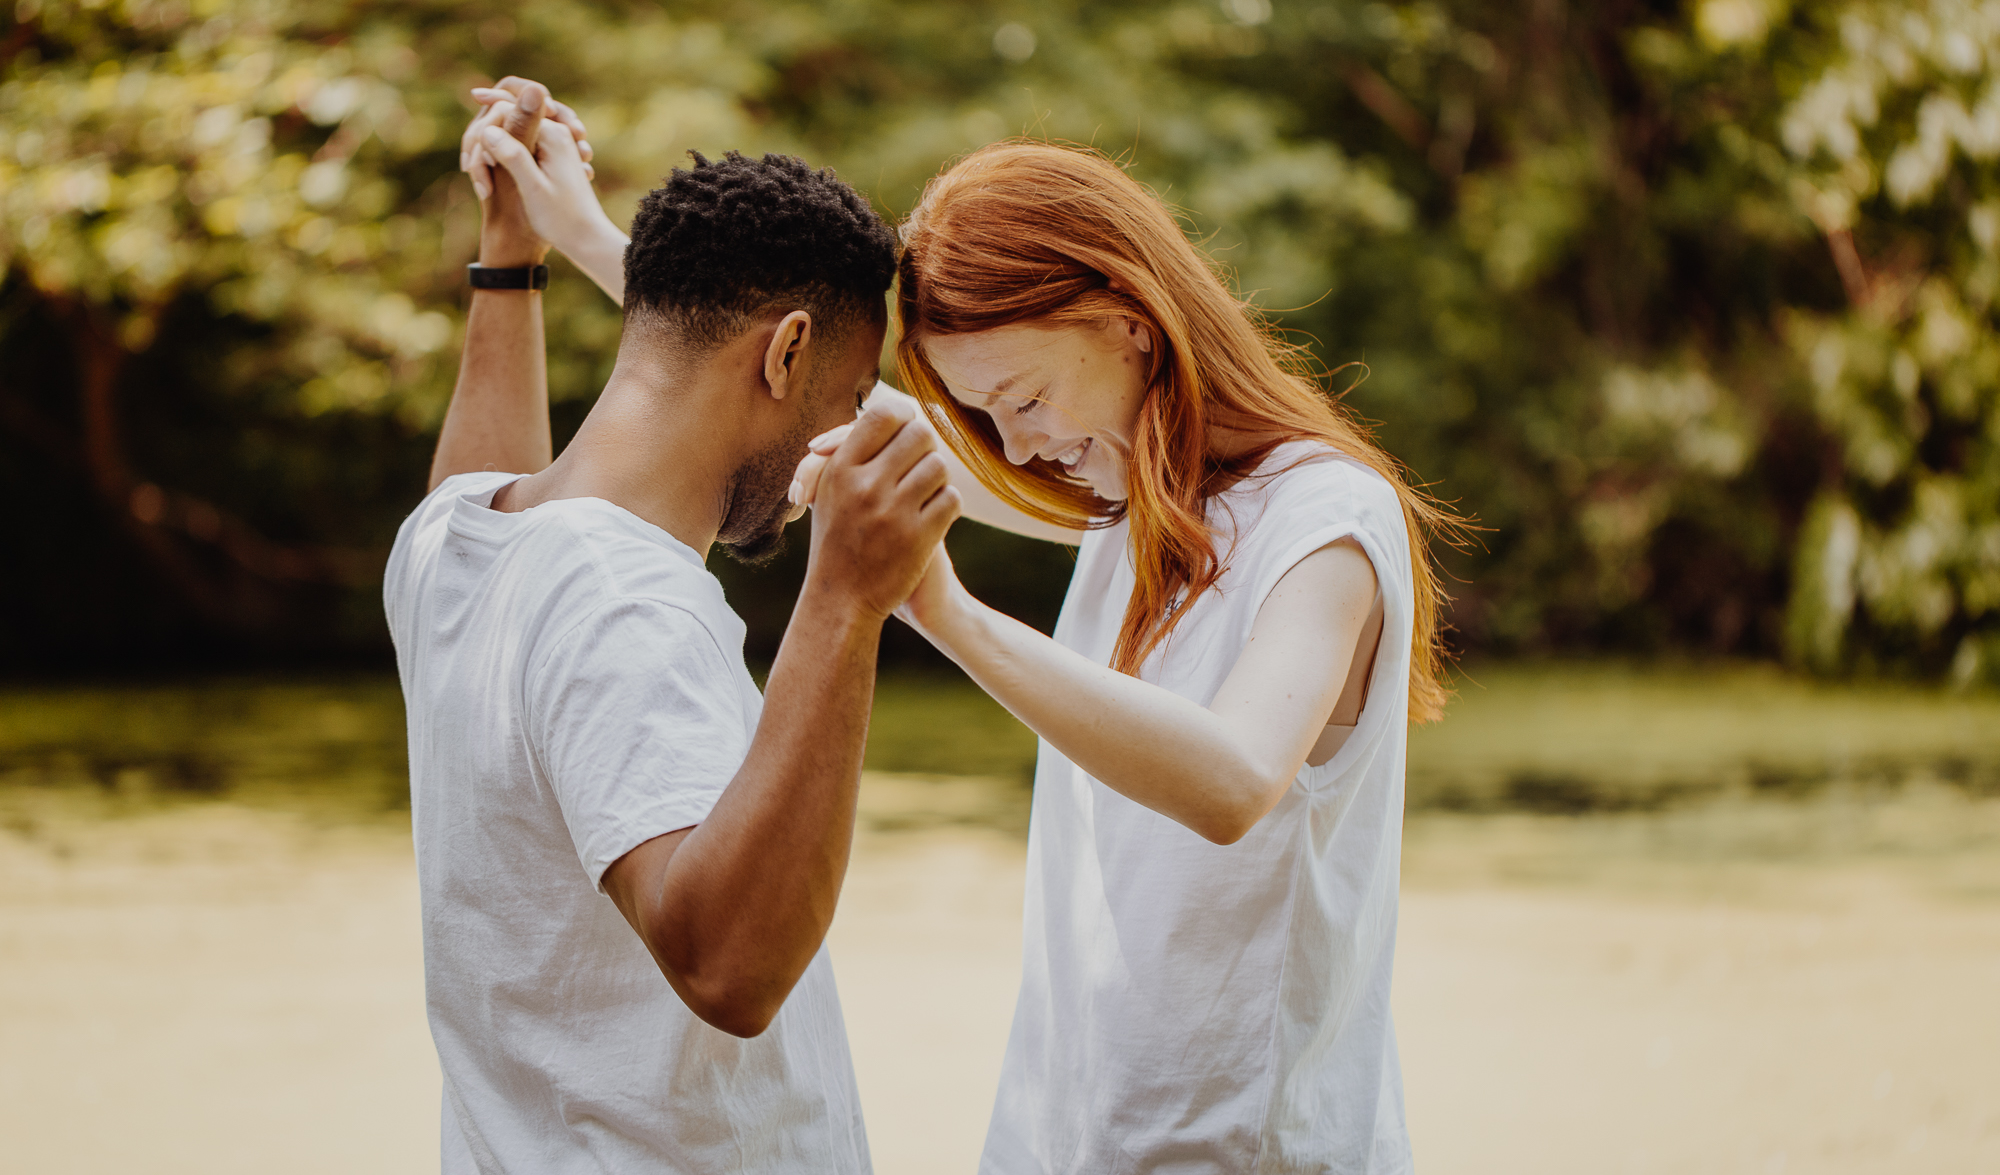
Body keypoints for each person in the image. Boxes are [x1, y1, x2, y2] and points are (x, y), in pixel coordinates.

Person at [468, 82, 1463, 1172]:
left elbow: (1230, 779)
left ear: (1126, 322)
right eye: (982, 418)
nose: (1017, 449)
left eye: (1024, 401)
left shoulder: (1323, 515)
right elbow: (766, 378)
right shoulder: (1133, 502)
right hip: (1071, 1140)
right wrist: (576, 233)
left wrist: (938, 607)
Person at [385, 82, 959, 1173]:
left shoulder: (457, 540)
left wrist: (510, 259)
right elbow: (728, 969)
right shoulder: (629, 603)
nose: (839, 444)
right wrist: (844, 598)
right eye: (847, 395)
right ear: (785, 354)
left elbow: (475, 473)